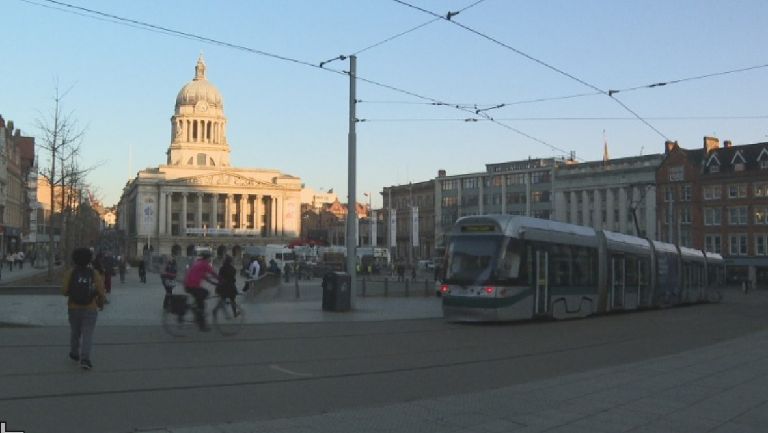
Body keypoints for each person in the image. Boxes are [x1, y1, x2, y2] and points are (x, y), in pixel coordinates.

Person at [61, 247, 106, 370]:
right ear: (89, 259)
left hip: (73, 307)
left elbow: (64, 291)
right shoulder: (94, 273)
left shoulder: (70, 273)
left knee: (75, 332)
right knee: (88, 334)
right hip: (90, 308)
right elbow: (101, 291)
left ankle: (74, 353)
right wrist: (100, 304)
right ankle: (85, 359)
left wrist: (73, 292)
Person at [183, 251, 217, 331]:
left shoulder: (198, 263)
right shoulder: (205, 264)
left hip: (188, 285)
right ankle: (202, 325)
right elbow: (213, 273)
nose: (210, 259)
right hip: (192, 286)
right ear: (207, 258)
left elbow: (203, 275)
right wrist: (222, 280)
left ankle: (196, 311)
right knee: (204, 296)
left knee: (200, 299)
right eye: (210, 258)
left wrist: (212, 282)